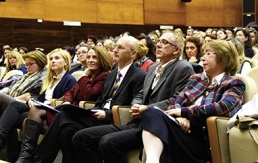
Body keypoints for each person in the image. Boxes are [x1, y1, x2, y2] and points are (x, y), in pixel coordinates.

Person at [72, 32, 195, 163]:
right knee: (81, 137)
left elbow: (176, 100)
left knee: (108, 142)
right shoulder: (153, 68)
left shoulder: (183, 68)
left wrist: (146, 108)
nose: (158, 45)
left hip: (157, 126)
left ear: (176, 50)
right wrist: (136, 104)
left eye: (164, 43)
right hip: (136, 122)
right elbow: (141, 93)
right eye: (159, 42)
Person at [30, 36, 146, 163]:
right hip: (98, 114)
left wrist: (106, 113)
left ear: (133, 53)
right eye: (115, 47)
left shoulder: (139, 75)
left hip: (115, 118)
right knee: (66, 130)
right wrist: (94, 110)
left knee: (65, 119)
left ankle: (39, 159)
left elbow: (135, 105)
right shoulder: (113, 73)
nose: (115, 50)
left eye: (120, 48)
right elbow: (101, 99)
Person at [138, 39, 245, 163]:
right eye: (203, 54)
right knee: (150, 112)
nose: (203, 58)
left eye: (209, 54)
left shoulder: (233, 83)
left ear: (224, 57)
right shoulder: (197, 79)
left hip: (201, 138)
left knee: (154, 121)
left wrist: (183, 112)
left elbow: (225, 107)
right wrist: (179, 117)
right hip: (181, 129)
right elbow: (177, 101)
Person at [16, 46, 113, 163]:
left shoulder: (104, 75)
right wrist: (67, 101)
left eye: (94, 57)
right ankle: (30, 156)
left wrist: (83, 76)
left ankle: (36, 158)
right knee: (61, 128)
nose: (90, 60)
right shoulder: (90, 75)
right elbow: (70, 92)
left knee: (57, 119)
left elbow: (89, 95)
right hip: (71, 112)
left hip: (84, 115)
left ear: (102, 59)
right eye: (88, 57)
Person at [0, 48, 76, 162]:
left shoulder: (69, 79)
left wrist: (37, 101)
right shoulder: (50, 79)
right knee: (10, 112)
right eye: (51, 59)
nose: (53, 61)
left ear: (66, 62)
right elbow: (41, 98)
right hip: (39, 108)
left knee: (12, 108)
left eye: (57, 58)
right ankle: (12, 153)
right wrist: (31, 100)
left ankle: (19, 154)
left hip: (51, 113)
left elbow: (65, 101)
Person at [0, 50, 47, 114]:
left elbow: (29, 96)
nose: (27, 67)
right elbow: (12, 86)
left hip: (23, 104)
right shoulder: (26, 75)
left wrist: (5, 99)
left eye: (30, 64)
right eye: (26, 65)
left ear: (41, 63)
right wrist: (5, 91)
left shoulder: (43, 77)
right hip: (14, 100)